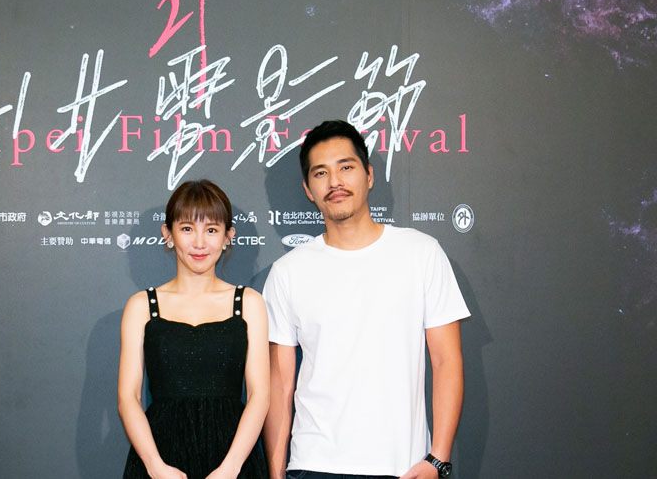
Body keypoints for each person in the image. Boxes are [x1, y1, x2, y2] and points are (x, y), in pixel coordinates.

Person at [261, 121, 470, 479]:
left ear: (369, 175)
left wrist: (438, 459)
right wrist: (277, 474)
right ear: (308, 189)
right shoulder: (287, 272)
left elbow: (446, 360)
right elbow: (280, 384)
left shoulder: (421, 253)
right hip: (314, 465)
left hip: (402, 467)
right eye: (321, 173)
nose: (334, 182)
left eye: (346, 167)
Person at [119, 180, 270, 479]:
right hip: (160, 456)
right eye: (187, 228)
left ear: (228, 236)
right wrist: (155, 466)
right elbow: (128, 397)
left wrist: (231, 468)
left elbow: (260, 395)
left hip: (233, 456)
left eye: (211, 230)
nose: (199, 243)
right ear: (168, 234)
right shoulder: (141, 306)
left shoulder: (249, 303)